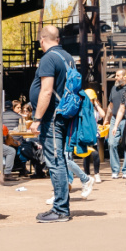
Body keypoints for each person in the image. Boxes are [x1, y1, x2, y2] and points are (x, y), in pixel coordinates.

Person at [28, 25, 92, 223]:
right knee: (61, 161)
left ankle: (60, 209)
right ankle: (60, 206)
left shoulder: (48, 58)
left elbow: (46, 91)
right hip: (64, 115)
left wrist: (37, 119)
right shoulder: (67, 57)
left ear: (42, 40)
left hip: (52, 118)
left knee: (55, 162)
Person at [105, 70, 126, 179]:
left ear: (124, 77)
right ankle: (115, 170)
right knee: (111, 143)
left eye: (118, 76)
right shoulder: (114, 88)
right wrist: (106, 119)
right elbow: (111, 105)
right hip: (114, 118)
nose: (116, 78)